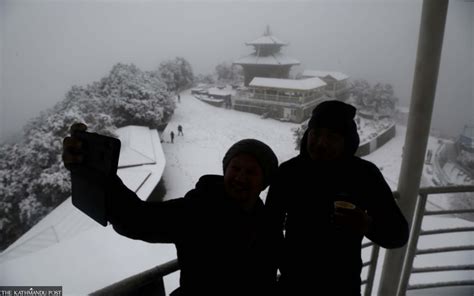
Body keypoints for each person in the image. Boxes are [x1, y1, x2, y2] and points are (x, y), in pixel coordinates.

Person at [63, 126, 281, 296]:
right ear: (225, 171)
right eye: (235, 168)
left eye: (251, 172)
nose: (241, 178)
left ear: (264, 181)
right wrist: (96, 173)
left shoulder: (268, 222)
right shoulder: (198, 210)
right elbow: (136, 218)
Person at [265, 100, 409, 295]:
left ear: (347, 141)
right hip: (293, 284)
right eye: (316, 134)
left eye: (332, 137)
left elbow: (398, 234)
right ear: (308, 134)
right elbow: (269, 228)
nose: (321, 143)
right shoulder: (289, 173)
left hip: (342, 286)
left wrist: (367, 225)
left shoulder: (364, 176)